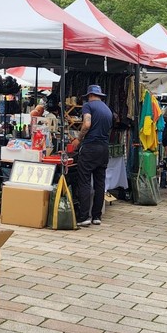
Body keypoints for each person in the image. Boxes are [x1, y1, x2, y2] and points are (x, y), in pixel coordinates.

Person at [74, 84, 112, 227]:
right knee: (99, 183)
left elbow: (87, 124)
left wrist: (79, 138)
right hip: (104, 148)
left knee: (84, 181)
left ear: (89, 96)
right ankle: (97, 216)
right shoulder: (107, 109)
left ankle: (84, 216)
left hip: (90, 147)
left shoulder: (88, 106)